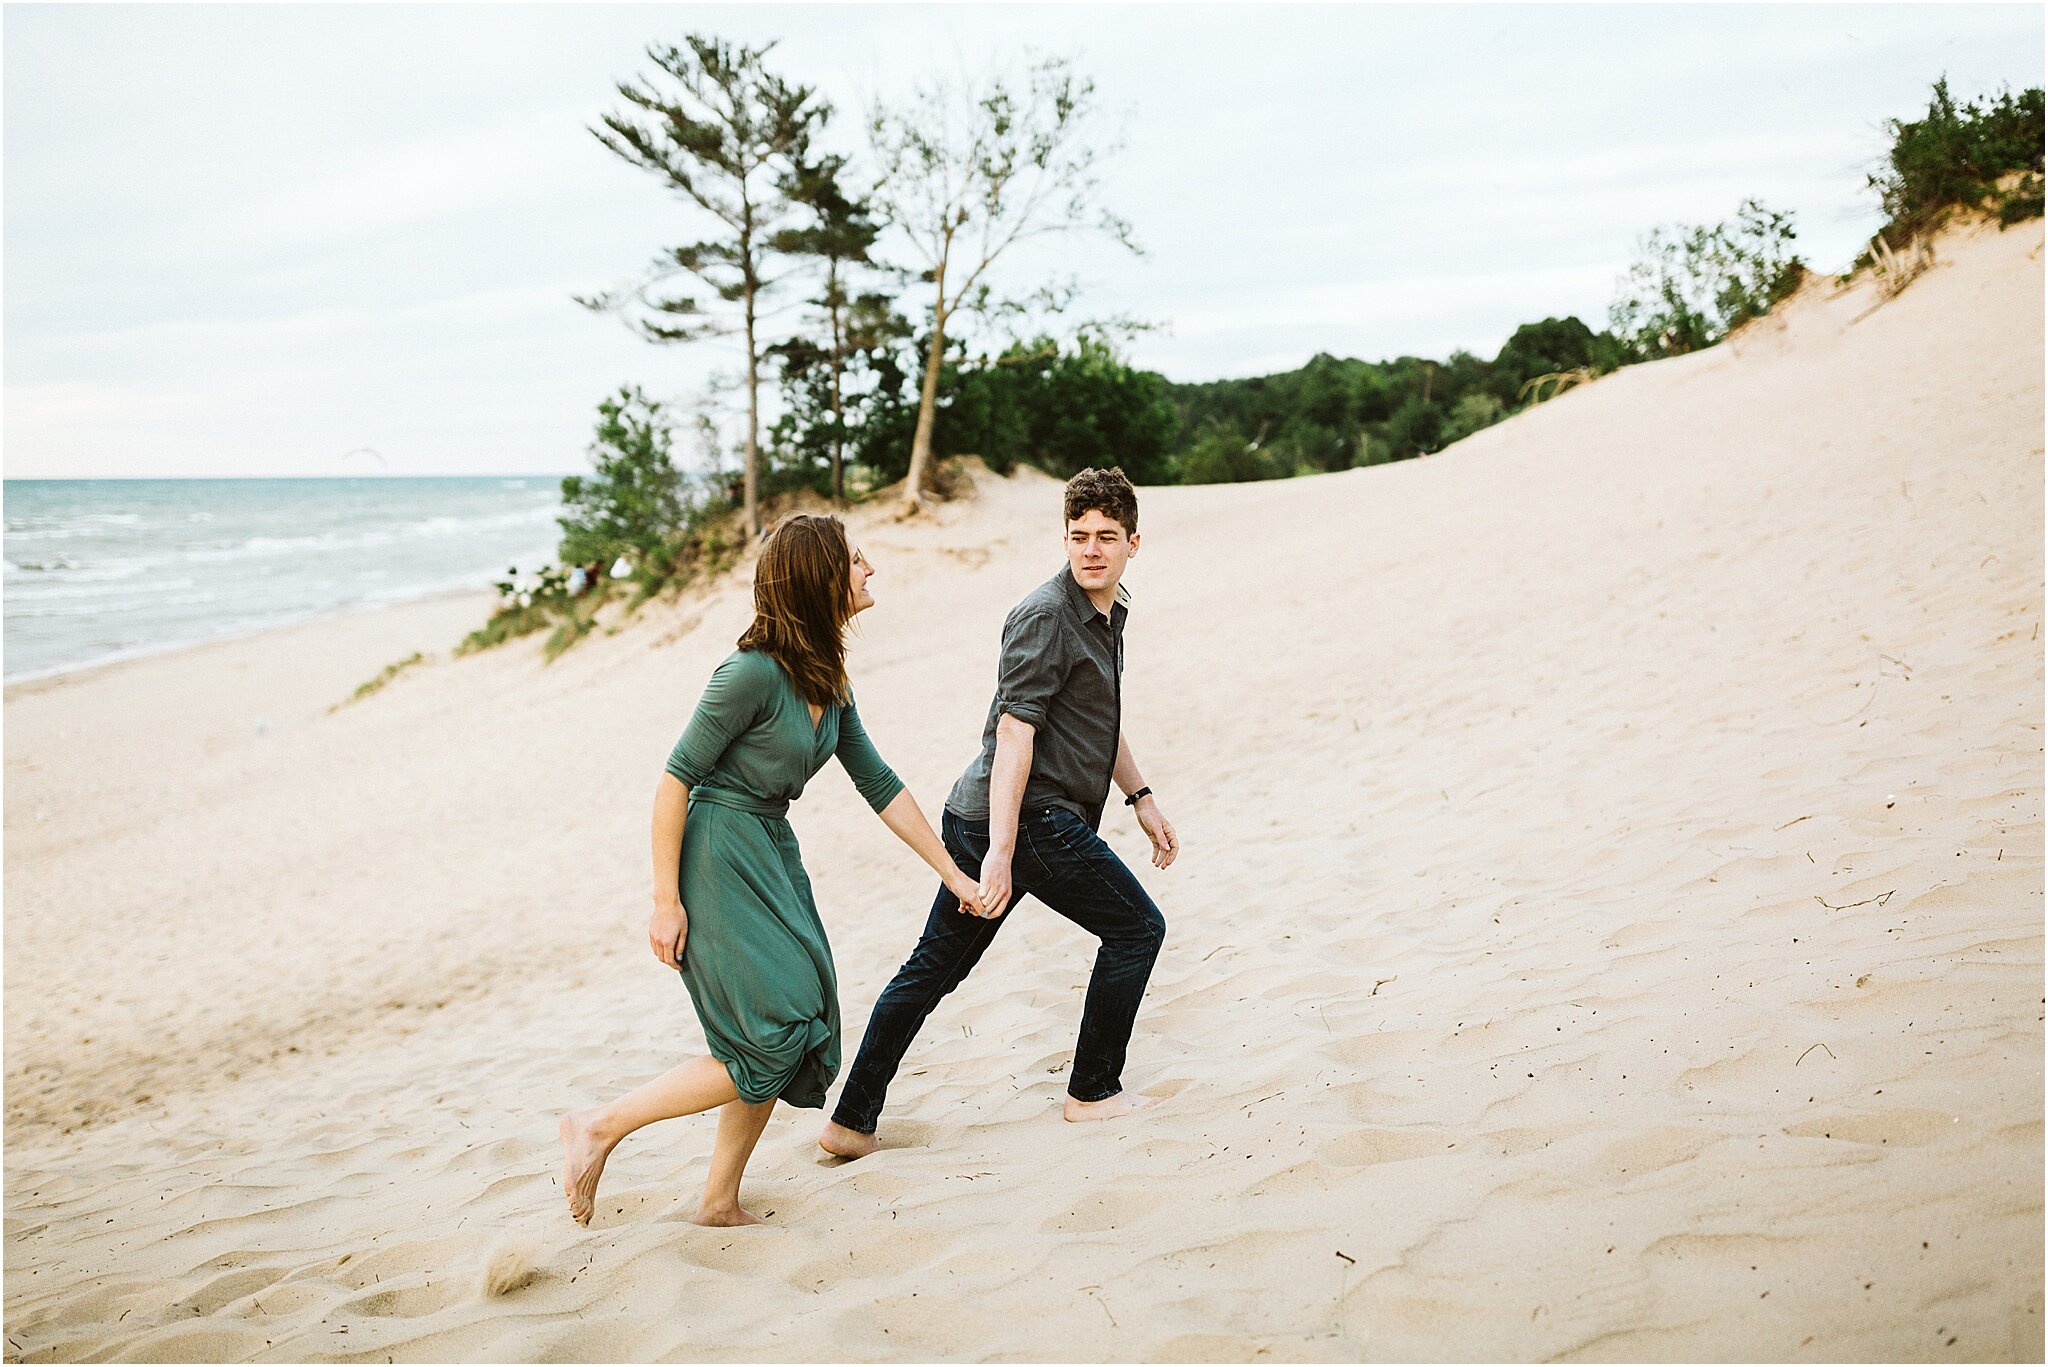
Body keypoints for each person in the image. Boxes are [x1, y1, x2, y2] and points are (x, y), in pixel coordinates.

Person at [559, 514, 986, 1226]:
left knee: (803, 1017)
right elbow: (674, 780)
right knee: (773, 1033)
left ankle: (719, 1199)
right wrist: (665, 901)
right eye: (856, 560)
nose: (870, 568)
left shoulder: (828, 679)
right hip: (717, 853)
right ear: (821, 578)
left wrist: (953, 874)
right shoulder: (749, 673)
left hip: (767, 848)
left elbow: (879, 784)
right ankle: (597, 1126)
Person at [820, 467, 1180, 1160]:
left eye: (1107, 537)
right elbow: (1016, 733)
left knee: (934, 967)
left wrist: (1142, 797)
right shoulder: (1045, 614)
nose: (1091, 550)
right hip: (1019, 819)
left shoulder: (1109, 609)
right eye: (1079, 537)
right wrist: (1001, 853)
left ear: (1135, 542)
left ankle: (850, 1121)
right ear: (1064, 539)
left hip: (1007, 820)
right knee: (1137, 929)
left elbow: (1099, 716)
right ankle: (1092, 1091)